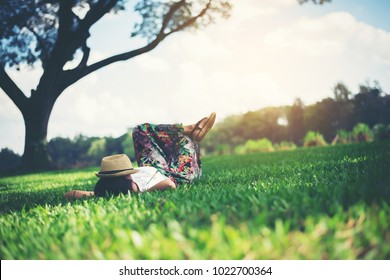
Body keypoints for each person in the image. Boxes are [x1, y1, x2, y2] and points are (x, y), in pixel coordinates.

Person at [64, 112, 216, 199]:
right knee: (186, 142)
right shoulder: (138, 188)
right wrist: (137, 192)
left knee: (139, 131)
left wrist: (95, 194)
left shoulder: (106, 189)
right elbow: (170, 185)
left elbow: (69, 195)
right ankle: (194, 135)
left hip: (153, 166)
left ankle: (190, 128)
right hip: (177, 174)